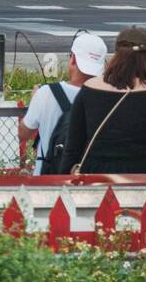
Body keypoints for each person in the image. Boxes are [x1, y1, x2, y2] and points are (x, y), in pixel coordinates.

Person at [58, 27, 146, 175]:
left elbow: (72, 148)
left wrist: (63, 181)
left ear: (117, 54)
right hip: (143, 176)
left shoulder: (89, 89)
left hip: (96, 177)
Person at [19, 31, 107, 175]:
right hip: (91, 176)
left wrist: (35, 101)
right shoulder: (108, 96)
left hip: (48, 176)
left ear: (72, 59)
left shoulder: (46, 93)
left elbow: (24, 133)